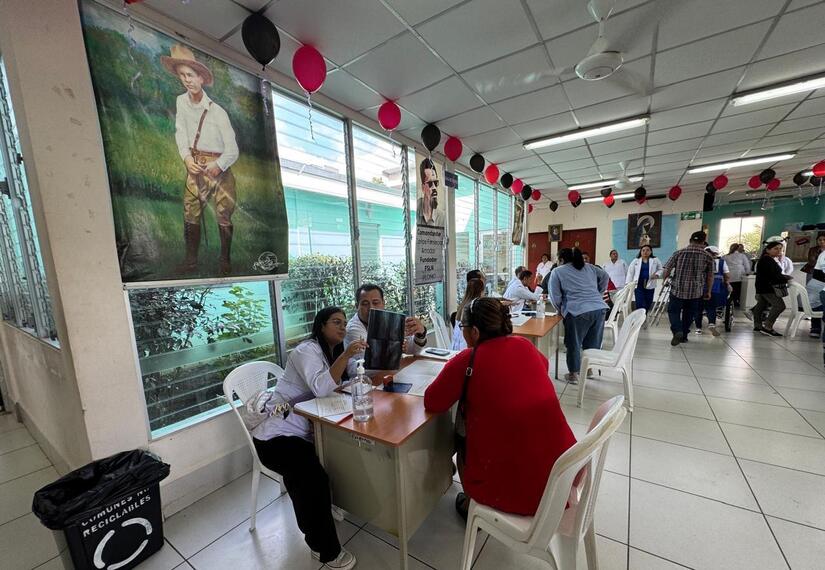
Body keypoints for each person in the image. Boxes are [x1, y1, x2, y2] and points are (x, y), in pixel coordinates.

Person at [424, 298, 576, 518]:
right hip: (560, 474)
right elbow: (544, 365)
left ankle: (470, 501)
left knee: (461, 432)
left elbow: (433, 401)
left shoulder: (468, 360)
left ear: (474, 332)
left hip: (522, 492)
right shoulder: (524, 345)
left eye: (463, 328)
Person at [252, 307, 366, 570]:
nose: (342, 327)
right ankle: (325, 549)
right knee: (311, 478)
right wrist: (348, 353)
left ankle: (329, 510)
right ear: (321, 325)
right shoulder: (307, 350)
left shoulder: (333, 352)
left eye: (343, 323)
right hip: (276, 437)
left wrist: (352, 355)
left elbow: (346, 380)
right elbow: (323, 388)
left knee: (344, 453)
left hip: (307, 432)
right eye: (336, 322)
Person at [161, 44, 239, 276]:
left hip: (219, 165)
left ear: (201, 78)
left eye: (191, 75)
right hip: (195, 163)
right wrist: (186, 158)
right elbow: (181, 133)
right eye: (183, 75)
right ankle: (191, 261)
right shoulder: (181, 102)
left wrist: (218, 165)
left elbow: (232, 149)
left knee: (223, 212)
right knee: (191, 210)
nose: (187, 80)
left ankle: (225, 260)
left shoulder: (218, 112)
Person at [549, 248, 609, 385]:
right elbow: (605, 276)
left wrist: (561, 310)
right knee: (593, 342)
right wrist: (598, 294)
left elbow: (555, 297)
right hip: (599, 309)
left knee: (573, 343)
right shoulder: (588, 267)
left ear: (562, 260)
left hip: (577, 310)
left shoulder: (557, 271)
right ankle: (588, 370)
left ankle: (573, 374)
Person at [344, 284, 427, 376]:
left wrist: (420, 333)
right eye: (365, 304)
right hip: (364, 381)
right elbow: (371, 363)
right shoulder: (353, 329)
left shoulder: (388, 319)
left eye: (375, 303)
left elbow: (414, 351)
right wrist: (396, 351)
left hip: (388, 374)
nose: (371, 308)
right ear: (357, 306)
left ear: (383, 303)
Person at [662, 231, 714, 346]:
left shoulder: (679, 253)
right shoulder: (708, 256)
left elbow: (667, 269)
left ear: (690, 240)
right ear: (703, 241)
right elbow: (710, 276)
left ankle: (677, 330)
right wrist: (709, 291)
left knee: (673, 311)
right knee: (689, 313)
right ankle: (684, 335)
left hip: (677, 289)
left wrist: (664, 280)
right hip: (696, 292)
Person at [752, 239, 792, 337]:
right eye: (775, 249)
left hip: (763, 286)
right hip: (768, 288)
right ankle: (768, 327)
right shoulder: (767, 260)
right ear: (768, 250)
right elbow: (773, 275)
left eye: (780, 249)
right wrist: (785, 278)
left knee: (761, 305)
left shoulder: (768, 259)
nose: (778, 251)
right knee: (780, 306)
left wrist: (783, 277)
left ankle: (758, 325)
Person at [694, 246, 730, 337]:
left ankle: (698, 328)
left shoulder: (699, 260)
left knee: (698, 308)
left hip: (699, 287)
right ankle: (711, 324)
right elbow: (727, 275)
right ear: (716, 253)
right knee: (711, 307)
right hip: (715, 288)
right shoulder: (721, 262)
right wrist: (726, 283)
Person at [626, 245, 663, 313]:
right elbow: (630, 273)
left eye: (647, 250)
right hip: (638, 285)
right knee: (640, 302)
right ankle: (639, 317)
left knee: (649, 301)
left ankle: (644, 315)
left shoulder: (655, 260)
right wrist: (628, 284)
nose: (645, 252)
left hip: (650, 284)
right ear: (641, 251)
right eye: (643, 250)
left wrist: (657, 275)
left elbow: (660, 269)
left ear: (651, 251)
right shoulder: (636, 260)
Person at [452, 278, 485, 350]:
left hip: (455, 347)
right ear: (481, 291)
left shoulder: (463, 304)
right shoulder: (475, 306)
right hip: (466, 348)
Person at [417, 158, 445, 227]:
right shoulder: (415, 210)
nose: (434, 187)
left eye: (435, 183)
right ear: (423, 188)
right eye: (430, 183)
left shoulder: (442, 217)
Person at [806, 239, 825, 337]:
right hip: (818, 287)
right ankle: (816, 328)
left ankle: (816, 329)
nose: (822, 241)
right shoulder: (821, 254)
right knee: (817, 303)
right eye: (820, 239)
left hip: (817, 285)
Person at [723, 243, 751, 308]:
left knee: (730, 290)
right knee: (738, 290)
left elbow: (722, 266)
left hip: (729, 275)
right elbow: (747, 265)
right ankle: (736, 302)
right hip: (739, 275)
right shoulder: (742, 256)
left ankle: (729, 302)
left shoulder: (725, 256)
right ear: (738, 248)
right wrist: (747, 273)